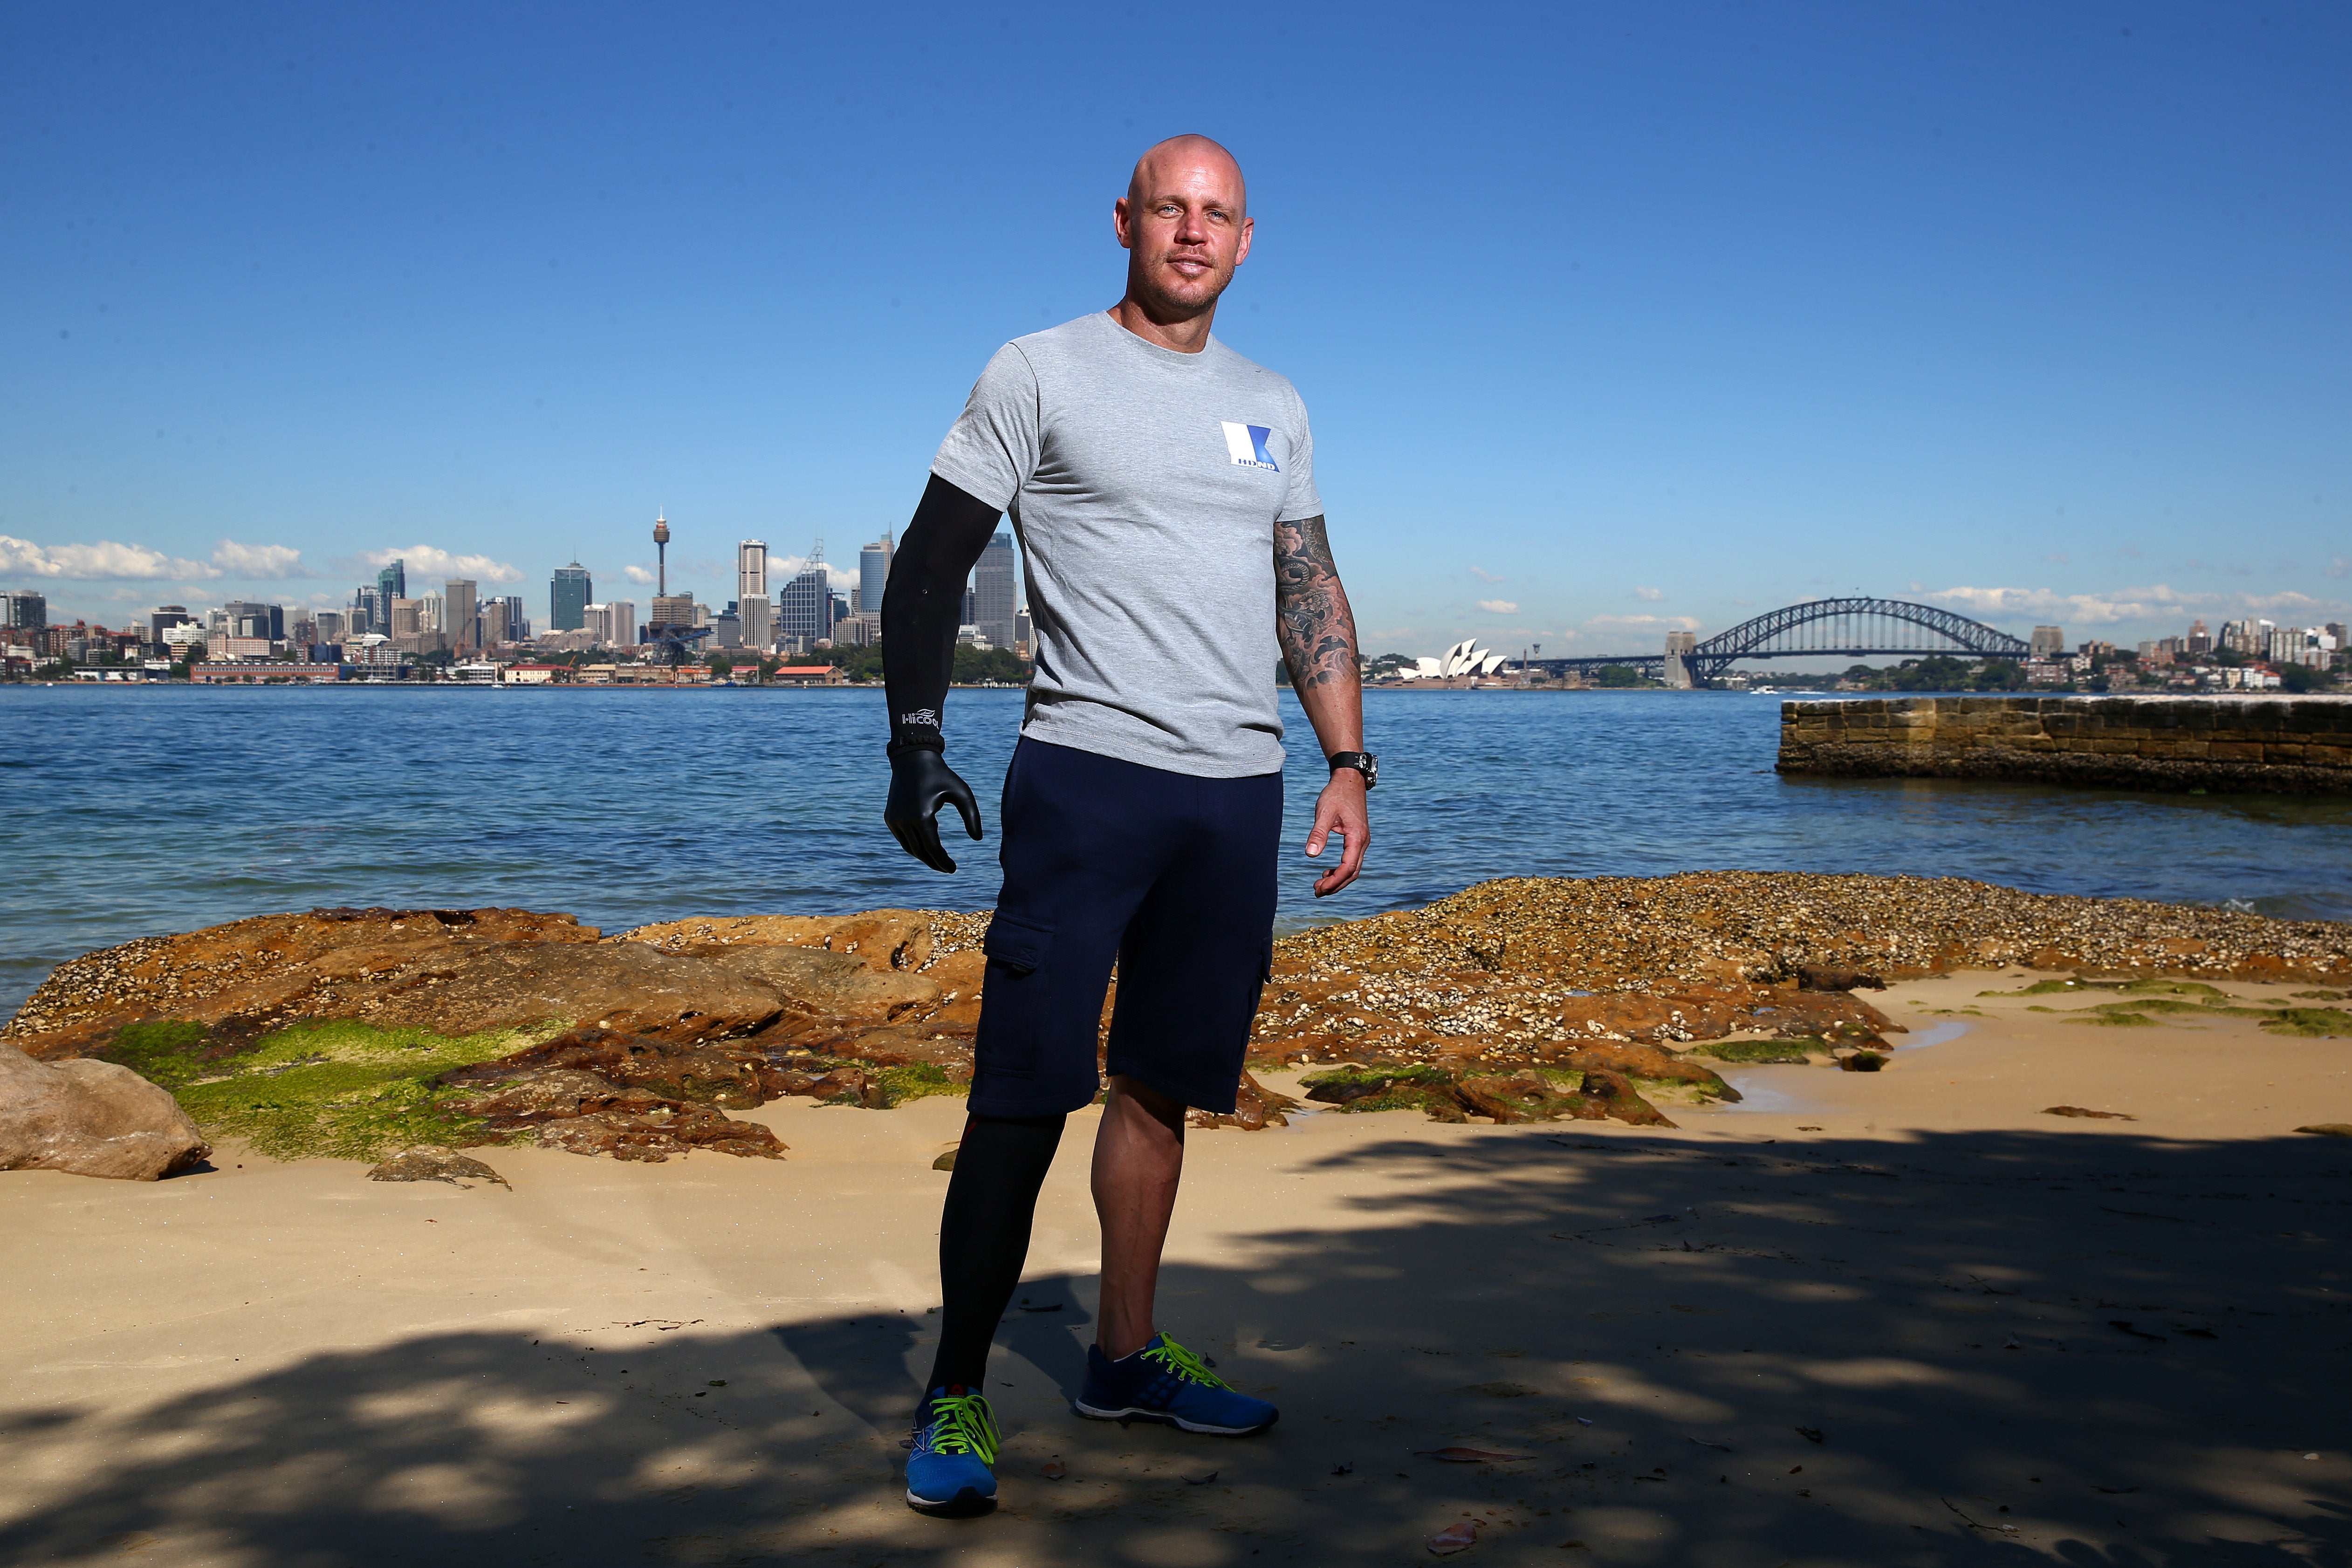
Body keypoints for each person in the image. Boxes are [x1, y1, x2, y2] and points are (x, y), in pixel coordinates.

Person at [878, 133, 1376, 1518]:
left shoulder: (1274, 400)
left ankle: (1122, 1358)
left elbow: (1309, 586)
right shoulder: (1038, 370)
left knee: (1163, 1084)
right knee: (1023, 1095)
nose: (1194, 232)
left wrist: (1350, 762)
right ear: (1126, 223)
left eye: (1218, 214)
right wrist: (916, 741)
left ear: (1247, 237)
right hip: (1086, 779)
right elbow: (928, 563)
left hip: (1238, 792)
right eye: (1172, 209)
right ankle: (959, 1390)